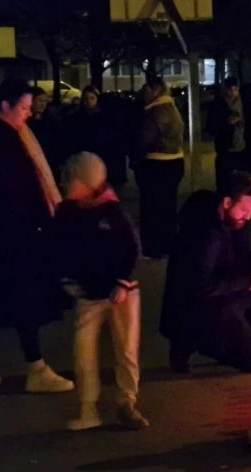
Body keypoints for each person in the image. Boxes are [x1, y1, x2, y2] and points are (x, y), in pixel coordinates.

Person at [0, 79, 74, 392]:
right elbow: (14, 191)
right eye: (23, 107)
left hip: (13, 233)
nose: (28, 113)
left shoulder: (6, 136)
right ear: (6, 106)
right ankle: (31, 367)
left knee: (12, 295)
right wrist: (41, 222)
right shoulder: (1, 141)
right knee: (22, 296)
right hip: (16, 233)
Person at [52, 152, 148, 430]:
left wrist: (122, 282)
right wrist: (65, 280)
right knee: (83, 354)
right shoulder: (67, 212)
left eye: (72, 178)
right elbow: (57, 251)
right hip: (88, 294)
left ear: (85, 182)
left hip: (121, 294)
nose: (65, 183)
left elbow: (133, 252)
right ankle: (88, 408)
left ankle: (127, 402)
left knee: (126, 350)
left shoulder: (113, 213)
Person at [160, 172, 251, 374]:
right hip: (197, 306)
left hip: (224, 292)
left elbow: (244, 255)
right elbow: (199, 285)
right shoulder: (204, 232)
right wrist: (247, 281)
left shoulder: (235, 221)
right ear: (227, 202)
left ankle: (239, 337)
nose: (248, 217)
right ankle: (188, 342)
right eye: (245, 210)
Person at [132, 77, 184, 260]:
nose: (144, 94)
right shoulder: (172, 108)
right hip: (174, 162)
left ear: (154, 91)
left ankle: (152, 247)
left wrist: (136, 158)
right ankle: (167, 244)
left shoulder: (156, 112)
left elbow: (143, 140)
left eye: (146, 91)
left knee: (151, 209)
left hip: (157, 164)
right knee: (167, 208)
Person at [66, 85, 129, 187]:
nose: (88, 101)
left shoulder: (106, 117)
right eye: (86, 99)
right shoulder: (76, 118)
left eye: (92, 98)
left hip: (102, 160)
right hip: (86, 161)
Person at [207, 77, 251, 190]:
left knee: (246, 182)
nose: (232, 93)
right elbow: (210, 126)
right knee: (224, 183)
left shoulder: (246, 102)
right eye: (229, 90)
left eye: (234, 90)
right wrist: (225, 123)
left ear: (238, 89)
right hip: (226, 150)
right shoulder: (218, 104)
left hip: (245, 149)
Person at [27, 86, 64, 183]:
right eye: (40, 101)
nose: (43, 104)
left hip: (49, 162)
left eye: (45, 101)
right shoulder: (26, 122)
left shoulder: (51, 121)